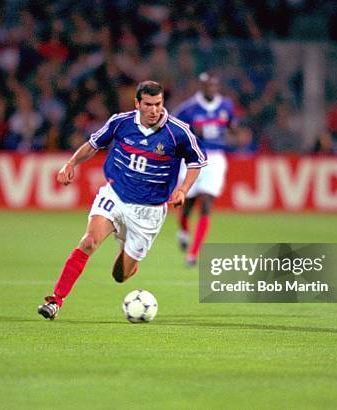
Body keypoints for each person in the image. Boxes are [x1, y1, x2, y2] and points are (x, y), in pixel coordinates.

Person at [38, 81, 207, 320]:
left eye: (158, 104)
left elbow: (196, 161)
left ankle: (129, 255)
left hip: (148, 212)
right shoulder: (121, 123)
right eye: (148, 104)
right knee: (88, 242)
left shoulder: (178, 132)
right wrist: (71, 163)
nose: (154, 110)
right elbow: (92, 145)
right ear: (137, 103)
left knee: (120, 276)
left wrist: (183, 189)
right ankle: (56, 300)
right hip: (115, 196)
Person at [173, 72, 236, 266]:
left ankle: (193, 254)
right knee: (187, 207)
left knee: (207, 203)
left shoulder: (226, 106)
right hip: (193, 158)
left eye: (215, 86)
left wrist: (233, 132)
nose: (212, 89)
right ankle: (183, 230)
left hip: (216, 159)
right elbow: (175, 132)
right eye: (209, 86)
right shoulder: (188, 109)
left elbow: (232, 127)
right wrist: (192, 133)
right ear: (202, 86)